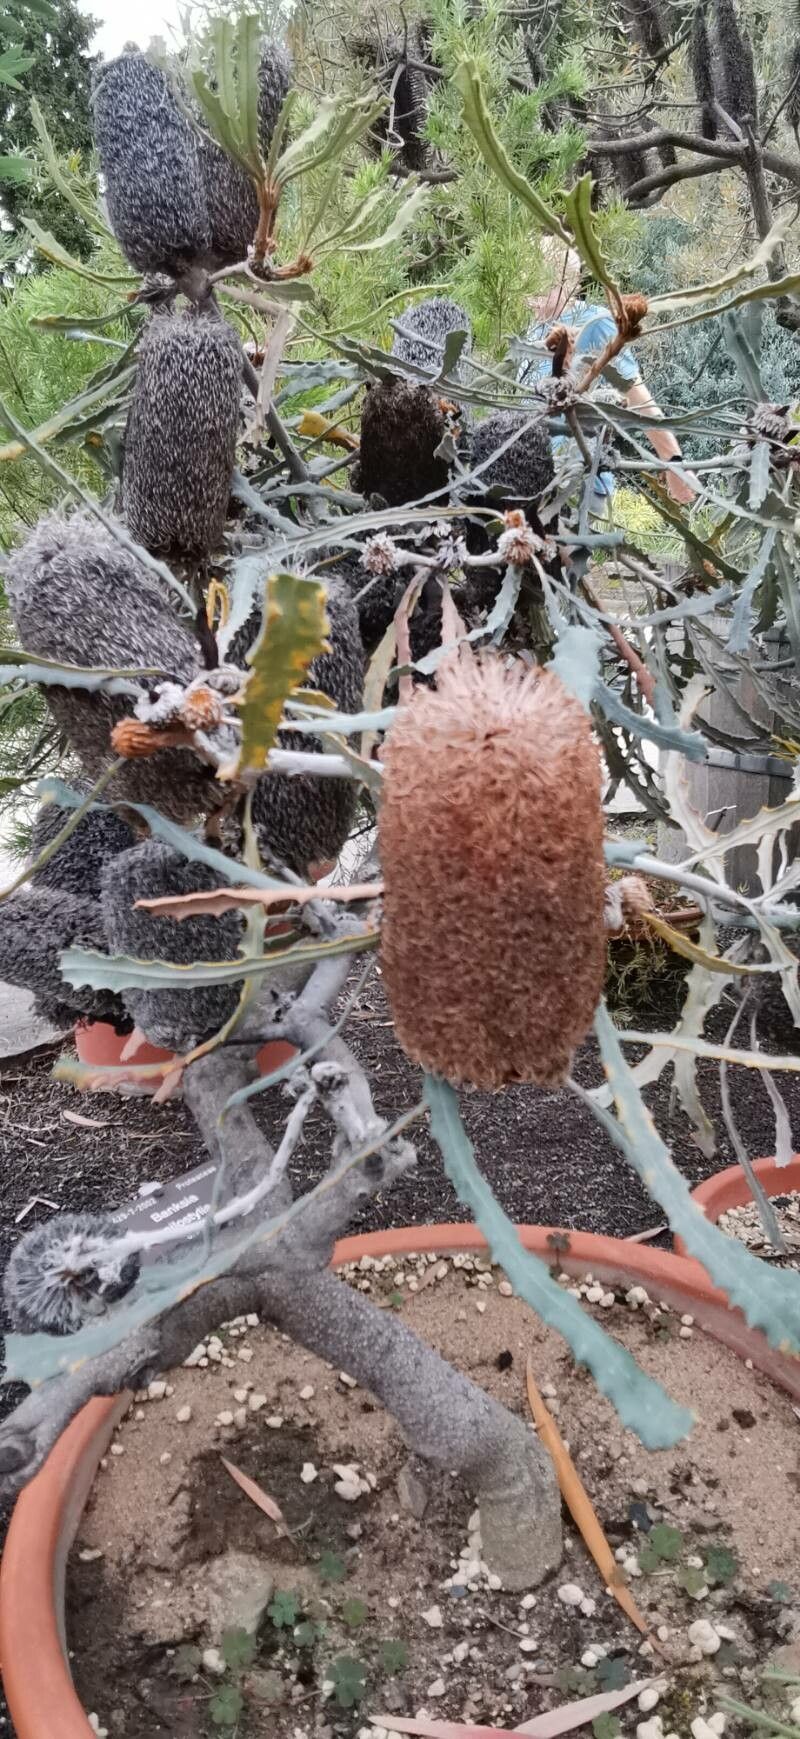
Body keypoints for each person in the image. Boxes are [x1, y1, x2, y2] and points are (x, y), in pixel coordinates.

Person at [518, 242, 696, 511]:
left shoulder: (596, 322)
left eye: (536, 277)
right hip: (532, 479)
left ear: (567, 281)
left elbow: (637, 397)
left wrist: (673, 461)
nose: (527, 286)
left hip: (579, 481)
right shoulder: (531, 330)